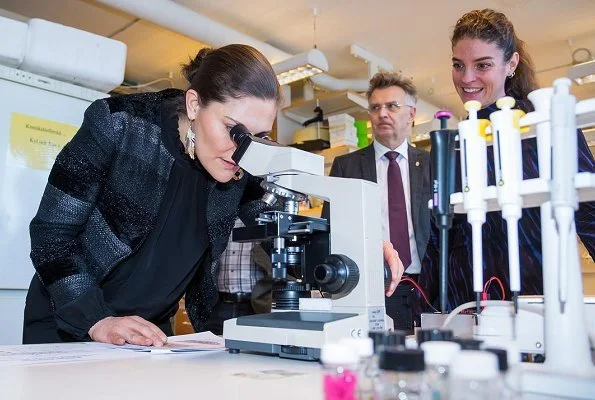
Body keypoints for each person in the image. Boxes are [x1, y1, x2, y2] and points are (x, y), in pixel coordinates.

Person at [24, 44, 404, 346]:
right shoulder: (118, 125)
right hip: (71, 319)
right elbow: (51, 237)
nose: (241, 152)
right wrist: (97, 320)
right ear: (193, 105)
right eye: (233, 130)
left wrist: (361, 244)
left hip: (148, 333)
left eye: (255, 138)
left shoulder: (240, 160)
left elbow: (281, 226)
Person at [419, 9, 595, 310]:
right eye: (458, 65)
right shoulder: (453, 143)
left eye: (482, 65)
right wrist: (420, 312)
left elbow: (590, 214)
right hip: (466, 307)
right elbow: (438, 240)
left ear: (511, 63)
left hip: (537, 301)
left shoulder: (546, 125)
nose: (467, 78)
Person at [323, 72, 432, 329]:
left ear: (412, 113)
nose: (382, 113)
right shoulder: (346, 166)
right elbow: (329, 230)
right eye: (375, 107)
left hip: (428, 288)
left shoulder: (432, 164)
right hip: (373, 287)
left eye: (392, 106)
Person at [204, 219, 267, 335]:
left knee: (253, 350)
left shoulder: (261, 219)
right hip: (219, 306)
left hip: (256, 307)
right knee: (212, 349)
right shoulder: (220, 219)